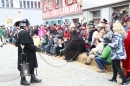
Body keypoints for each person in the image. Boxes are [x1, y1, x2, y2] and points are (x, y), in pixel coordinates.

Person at [17, 19, 41, 85]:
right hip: (26, 53)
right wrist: (35, 48)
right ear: (24, 26)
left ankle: (33, 78)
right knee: (24, 65)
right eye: (27, 25)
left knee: (30, 64)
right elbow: (27, 44)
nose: (28, 27)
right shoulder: (23, 33)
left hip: (27, 52)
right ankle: (22, 80)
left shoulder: (21, 32)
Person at [108, 21, 128, 85]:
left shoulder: (116, 35)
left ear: (116, 27)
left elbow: (114, 45)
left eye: (113, 27)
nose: (112, 28)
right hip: (118, 52)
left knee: (117, 67)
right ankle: (114, 78)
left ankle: (124, 81)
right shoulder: (120, 35)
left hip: (116, 53)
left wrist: (108, 43)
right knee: (114, 66)